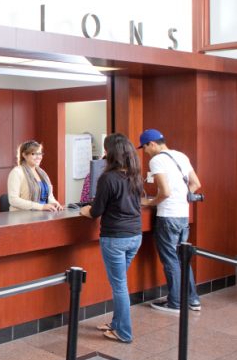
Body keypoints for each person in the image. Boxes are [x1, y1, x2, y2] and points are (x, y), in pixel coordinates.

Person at [80, 133, 143, 343]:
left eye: (106, 150)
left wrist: (85, 210)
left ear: (111, 153)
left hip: (115, 238)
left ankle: (124, 332)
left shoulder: (108, 178)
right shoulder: (134, 175)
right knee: (120, 282)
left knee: (119, 285)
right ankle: (116, 324)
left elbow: (96, 211)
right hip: (135, 236)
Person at [139, 129, 203, 314]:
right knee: (183, 258)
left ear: (152, 144)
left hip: (168, 216)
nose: (145, 152)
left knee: (170, 260)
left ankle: (175, 302)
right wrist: (180, 197)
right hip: (183, 215)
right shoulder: (181, 156)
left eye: (144, 148)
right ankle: (192, 300)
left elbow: (165, 192)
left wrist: (150, 202)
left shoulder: (157, 160)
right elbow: (196, 184)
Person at [7, 140, 63, 212]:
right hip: (23, 216)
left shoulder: (42, 173)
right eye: (34, 154)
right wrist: (41, 207)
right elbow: (13, 200)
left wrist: (55, 203)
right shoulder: (16, 172)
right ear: (24, 155)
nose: (38, 157)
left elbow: (49, 196)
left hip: (43, 214)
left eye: (40, 153)